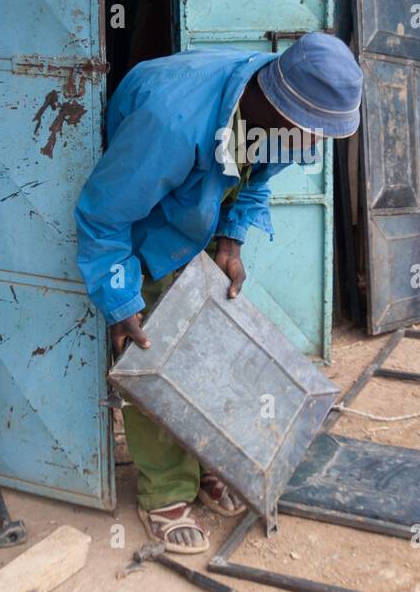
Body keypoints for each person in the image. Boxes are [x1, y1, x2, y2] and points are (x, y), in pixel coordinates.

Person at [74, 32, 363, 552]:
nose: (315, 146)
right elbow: (103, 216)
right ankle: (164, 490)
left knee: (208, 342)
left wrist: (230, 238)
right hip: (149, 211)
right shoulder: (171, 124)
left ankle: (209, 455)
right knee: (152, 347)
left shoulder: (273, 114)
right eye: (312, 132)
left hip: (200, 197)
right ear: (278, 108)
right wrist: (120, 300)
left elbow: (254, 179)